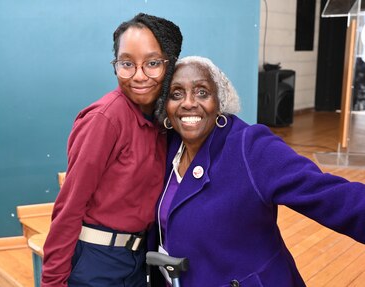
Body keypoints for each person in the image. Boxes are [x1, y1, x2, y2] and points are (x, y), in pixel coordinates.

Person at [154, 56, 365, 286]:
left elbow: (330, 196)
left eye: (202, 92)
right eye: (176, 94)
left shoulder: (250, 146)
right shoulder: (169, 145)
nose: (188, 103)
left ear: (220, 99)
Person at [41, 13, 182, 287]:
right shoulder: (104, 120)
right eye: (126, 63)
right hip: (98, 260)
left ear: (169, 65)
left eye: (152, 63)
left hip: (139, 258)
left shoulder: (163, 120)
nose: (139, 76)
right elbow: (69, 207)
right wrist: (52, 282)